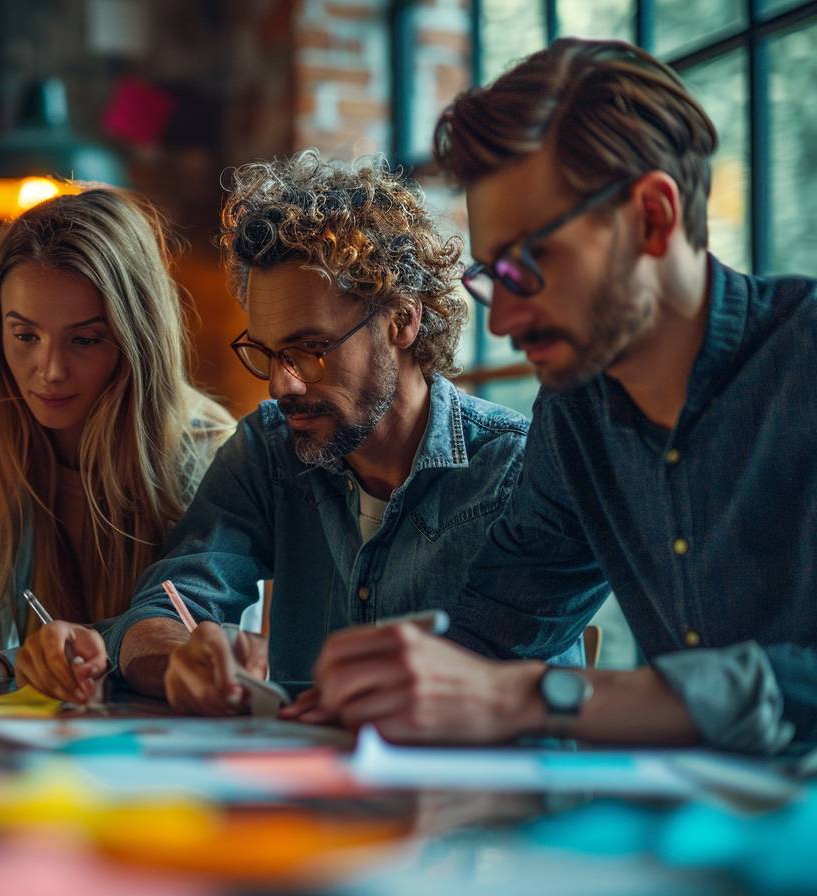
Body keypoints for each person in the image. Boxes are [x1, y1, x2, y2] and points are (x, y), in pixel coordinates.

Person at [312, 37, 817, 754]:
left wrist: (531, 697)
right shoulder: (576, 412)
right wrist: (384, 684)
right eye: (493, 274)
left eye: (528, 262)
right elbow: (500, 627)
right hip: (705, 834)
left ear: (652, 216)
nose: (505, 318)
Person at [96, 150, 547, 716]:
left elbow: (527, 691)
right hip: (308, 791)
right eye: (267, 353)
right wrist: (179, 659)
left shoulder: (511, 469)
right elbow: (162, 609)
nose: (280, 386)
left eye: (309, 349)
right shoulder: (270, 448)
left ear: (401, 320)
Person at [0, 188, 234, 699]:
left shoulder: (212, 456)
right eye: (25, 336)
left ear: (137, 338)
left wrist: (2, 664)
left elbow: (221, 653)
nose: (50, 372)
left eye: (84, 339)